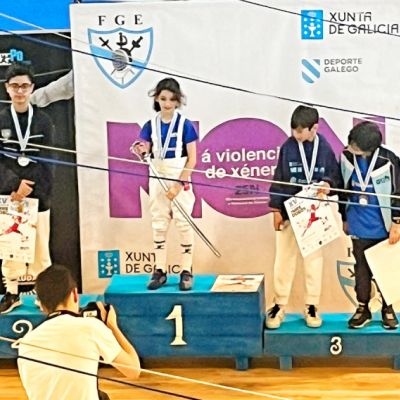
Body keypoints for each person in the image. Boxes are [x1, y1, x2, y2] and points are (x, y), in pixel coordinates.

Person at [266, 105, 341, 329]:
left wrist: (328, 184)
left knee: (313, 261)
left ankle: (312, 305)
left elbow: (335, 176)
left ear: (314, 128)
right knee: (284, 260)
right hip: (290, 212)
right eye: (293, 130)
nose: (295, 135)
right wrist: (276, 210)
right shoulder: (288, 147)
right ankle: (279, 304)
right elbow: (279, 178)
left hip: (314, 214)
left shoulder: (324, 147)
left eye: (300, 131)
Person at [17, 264, 141, 400]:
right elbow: (134, 370)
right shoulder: (91, 327)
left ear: (41, 305)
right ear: (75, 294)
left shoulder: (25, 343)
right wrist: (113, 327)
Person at [131, 77, 198, 291]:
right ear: (156, 99)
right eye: (163, 98)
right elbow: (146, 149)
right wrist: (141, 149)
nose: (167, 103)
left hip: (179, 177)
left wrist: (178, 185)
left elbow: (192, 159)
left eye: (171, 99)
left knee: (183, 222)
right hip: (157, 176)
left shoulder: (185, 125)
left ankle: (186, 270)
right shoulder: (150, 125)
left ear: (178, 101)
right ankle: (159, 270)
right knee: (159, 223)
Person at [0, 62, 55, 314]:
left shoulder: (43, 121)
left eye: (24, 86)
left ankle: (44, 296)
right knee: (10, 247)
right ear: (7, 88)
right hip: (9, 195)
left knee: (41, 250)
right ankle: (12, 293)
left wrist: (29, 187)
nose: (20, 91)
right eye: (15, 86)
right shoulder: (1, 119)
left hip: (38, 195)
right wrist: (14, 185)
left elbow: (49, 160)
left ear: (32, 88)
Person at [340, 121, 400, 329]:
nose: (350, 148)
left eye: (355, 146)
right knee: (361, 270)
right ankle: (362, 307)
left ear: (369, 148)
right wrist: (344, 218)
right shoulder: (347, 157)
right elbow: (343, 190)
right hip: (358, 225)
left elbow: (398, 193)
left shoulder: (389, 161)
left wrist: (397, 223)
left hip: (384, 227)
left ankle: (387, 307)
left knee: (385, 269)